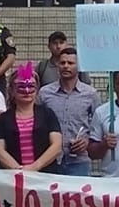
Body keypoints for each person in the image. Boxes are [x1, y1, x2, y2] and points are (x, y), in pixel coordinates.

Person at [38, 46, 100, 176]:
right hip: (50, 160)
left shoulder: (90, 94)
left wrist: (87, 140)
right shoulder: (44, 93)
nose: (66, 66)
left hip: (78, 161)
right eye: (62, 63)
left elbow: (98, 125)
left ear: (78, 66)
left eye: (70, 63)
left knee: (78, 196)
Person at [0, 63, 64, 172]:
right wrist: (18, 170)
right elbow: (0, 149)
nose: (26, 91)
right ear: (12, 90)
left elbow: (56, 145)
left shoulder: (47, 113)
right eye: (21, 86)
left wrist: (35, 167)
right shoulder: (4, 118)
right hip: (14, 178)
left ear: (37, 89)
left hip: (46, 176)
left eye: (31, 86)